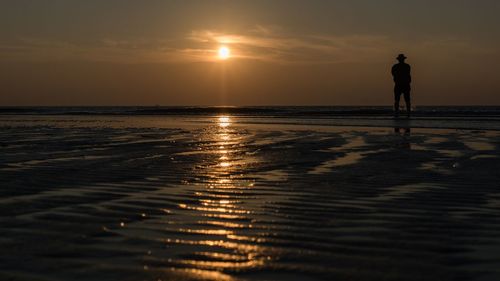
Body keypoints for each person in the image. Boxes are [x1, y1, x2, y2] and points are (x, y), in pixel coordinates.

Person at [391, 54, 412, 118]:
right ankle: (408, 113)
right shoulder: (407, 66)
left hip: (399, 84)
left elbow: (393, 75)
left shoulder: (395, 66)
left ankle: (397, 112)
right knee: (406, 99)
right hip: (404, 84)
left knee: (398, 99)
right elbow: (408, 75)